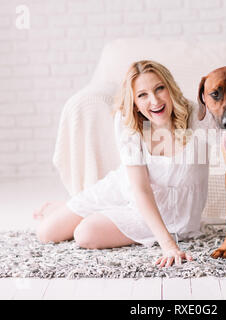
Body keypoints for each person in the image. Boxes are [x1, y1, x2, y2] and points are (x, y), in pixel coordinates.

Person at [33, 60, 213, 268]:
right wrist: (167, 245)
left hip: (173, 212)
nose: (154, 100)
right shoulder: (128, 121)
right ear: (134, 102)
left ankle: (86, 210)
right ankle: (64, 207)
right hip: (128, 189)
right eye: (142, 95)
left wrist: (170, 243)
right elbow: (140, 189)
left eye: (159, 88)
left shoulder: (196, 115)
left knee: (84, 234)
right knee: (45, 233)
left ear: (170, 87)